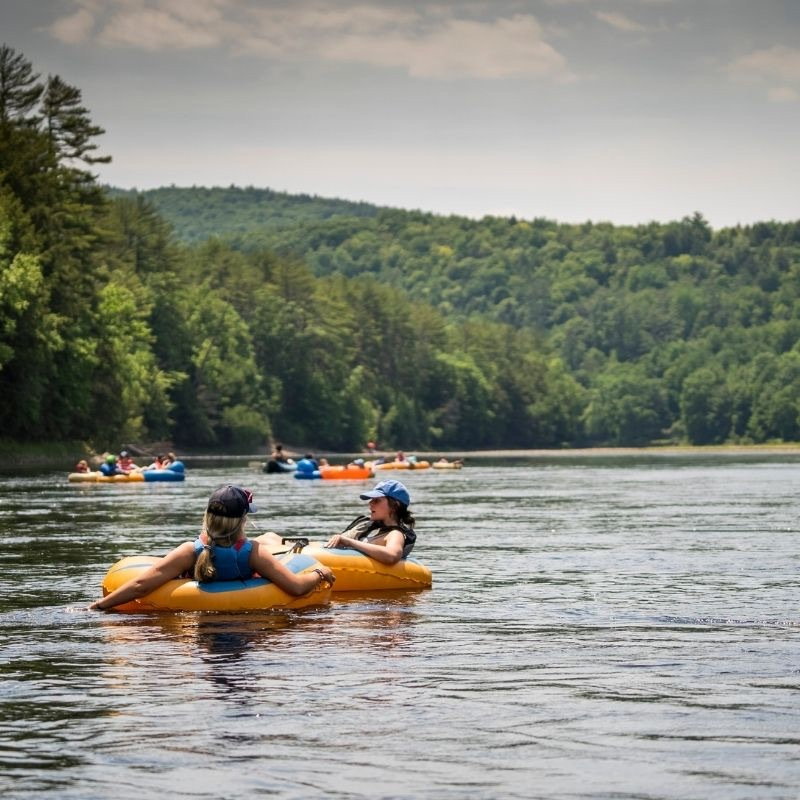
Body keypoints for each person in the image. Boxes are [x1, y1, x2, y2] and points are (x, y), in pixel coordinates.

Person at [88, 485, 334, 611]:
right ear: (243, 520)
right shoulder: (253, 552)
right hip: (247, 628)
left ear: (207, 516)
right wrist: (320, 573)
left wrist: (99, 606)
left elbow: (141, 585)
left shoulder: (189, 551)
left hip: (201, 636)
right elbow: (296, 587)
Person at [325, 479, 416, 565]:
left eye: (377, 500)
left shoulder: (395, 534)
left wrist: (349, 542)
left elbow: (392, 556)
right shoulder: (369, 527)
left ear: (395, 506)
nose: (370, 503)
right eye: (372, 500)